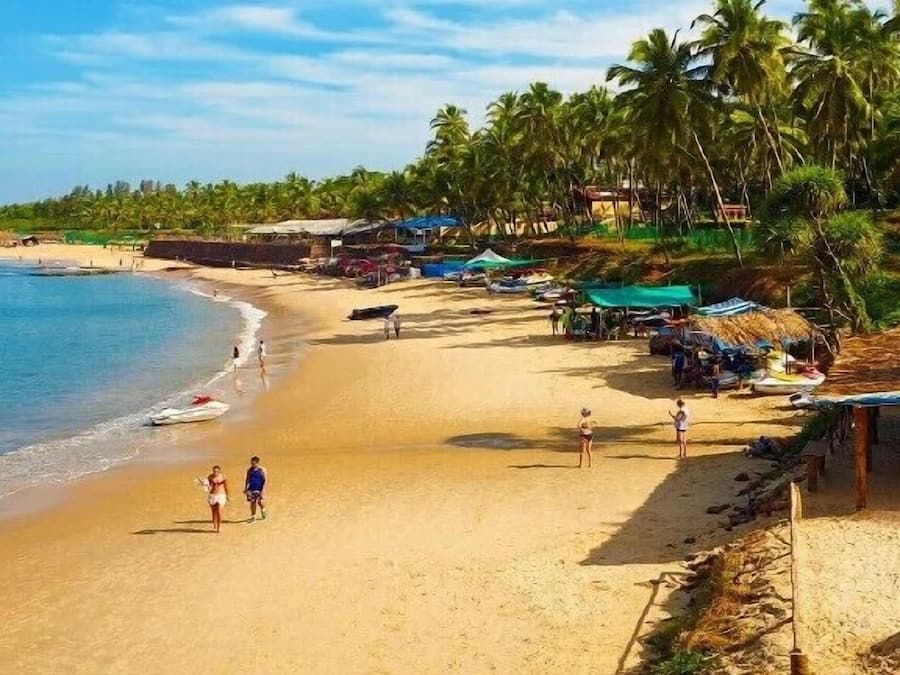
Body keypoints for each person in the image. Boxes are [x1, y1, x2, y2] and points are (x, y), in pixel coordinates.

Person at [244, 456, 267, 523]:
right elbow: (247, 479)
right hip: (251, 488)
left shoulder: (262, 470)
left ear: (257, 463)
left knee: (260, 502)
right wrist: (245, 488)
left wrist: (263, 490)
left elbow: (265, 480)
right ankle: (253, 517)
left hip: (259, 488)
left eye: (254, 463)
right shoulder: (249, 470)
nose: (252, 465)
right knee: (253, 503)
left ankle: (263, 510)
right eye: (251, 463)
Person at [207, 465, 230, 533]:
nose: (215, 472)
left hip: (221, 495)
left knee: (219, 511)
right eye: (214, 471)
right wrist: (206, 486)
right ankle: (214, 524)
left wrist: (227, 495)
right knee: (214, 511)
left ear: (219, 471)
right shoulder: (210, 477)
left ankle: (219, 527)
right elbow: (209, 486)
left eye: (217, 471)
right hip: (212, 495)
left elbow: (226, 486)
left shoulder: (223, 477)